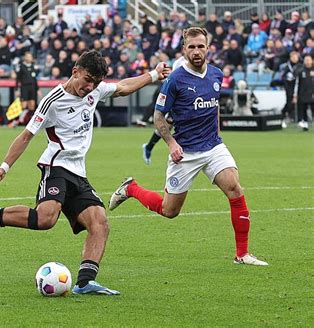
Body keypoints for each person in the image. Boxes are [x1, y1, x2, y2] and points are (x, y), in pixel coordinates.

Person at [0, 50, 171, 295]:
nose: (90, 87)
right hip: (56, 166)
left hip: (78, 172)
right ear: (75, 72)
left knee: (100, 222)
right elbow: (26, 135)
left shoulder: (95, 91)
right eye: (88, 79)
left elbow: (123, 86)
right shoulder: (52, 100)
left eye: (96, 83)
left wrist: (154, 74)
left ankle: (84, 282)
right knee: (45, 219)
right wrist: (4, 167)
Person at [109, 27, 268, 266]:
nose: (196, 51)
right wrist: (171, 143)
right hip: (186, 152)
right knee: (169, 210)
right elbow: (158, 117)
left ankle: (242, 254)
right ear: (184, 49)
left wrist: (218, 138)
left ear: (207, 48)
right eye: (191, 47)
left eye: (200, 46)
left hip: (213, 147)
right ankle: (131, 188)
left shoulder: (216, 75)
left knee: (235, 189)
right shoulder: (174, 79)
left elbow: (214, 109)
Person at [141, 55, 186, 165]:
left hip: (189, 98)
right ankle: (178, 152)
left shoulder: (199, 60)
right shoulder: (180, 63)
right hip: (179, 97)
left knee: (169, 125)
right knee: (168, 124)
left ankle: (149, 146)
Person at [15, 52, 39, 125]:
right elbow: (17, 79)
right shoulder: (21, 66)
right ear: (25, 58)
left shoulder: (33, 66)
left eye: (30, 57)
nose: (29, 58)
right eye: (28, 57)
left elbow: (35, 79)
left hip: (32, 87)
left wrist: (38, 89)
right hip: (24, 87)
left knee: (32, 104)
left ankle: (31, 122)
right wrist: (17, 89)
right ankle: (20, 120)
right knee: (24, 105)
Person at [294, 54, 314, 131]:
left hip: (312, 93)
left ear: (312, 61)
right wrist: (295, 95)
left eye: (309, 60)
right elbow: (296, 83)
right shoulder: (300, 71)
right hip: (303, 94)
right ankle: (305, 124)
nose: (307, 61)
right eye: (306, 60)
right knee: (304, 109)